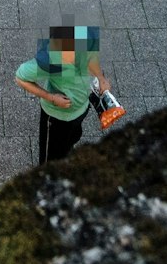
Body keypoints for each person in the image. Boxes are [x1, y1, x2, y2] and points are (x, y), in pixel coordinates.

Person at [15, 23, 112, 164]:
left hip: (80, 109)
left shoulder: (83, 38)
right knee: (50, 159)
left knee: (71, 140)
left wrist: (101, 77)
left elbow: (91, 57)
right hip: (57, 118)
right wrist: (52, 97)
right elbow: (20, 77)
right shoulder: (49, 61)